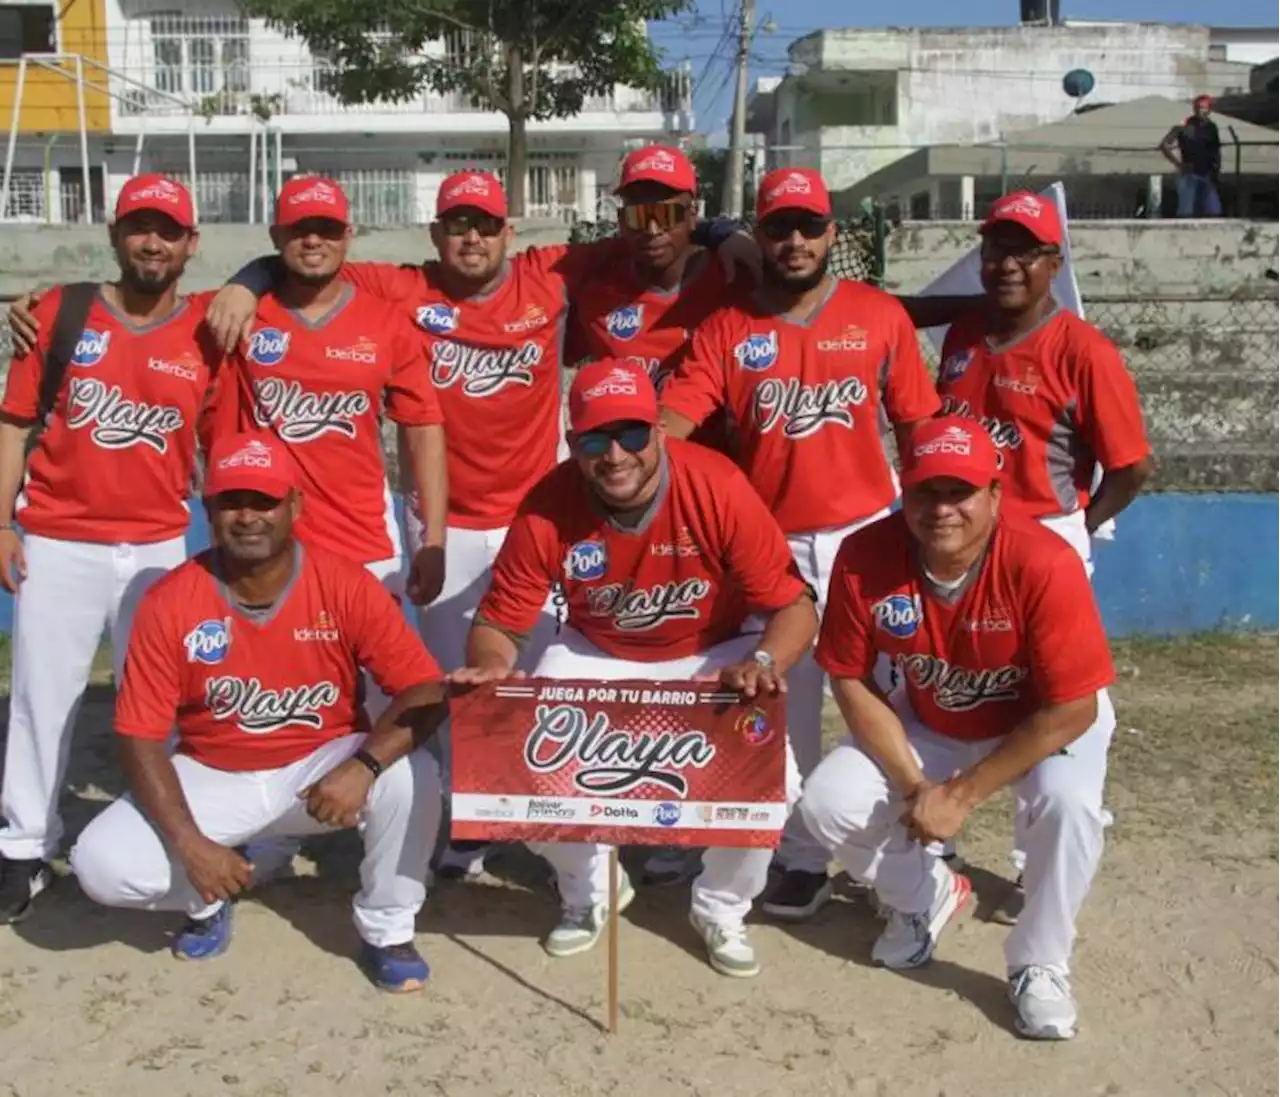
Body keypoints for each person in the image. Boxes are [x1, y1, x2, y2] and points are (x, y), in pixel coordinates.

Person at [202, 169, 756, 881]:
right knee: (452, 681)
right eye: (458, 224)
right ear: (436, 234)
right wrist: (245, 281)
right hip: (451, 524)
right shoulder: (403, 287)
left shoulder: (549, 272)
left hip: (549, 517)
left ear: (510, 230)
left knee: (556, 680)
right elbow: (309, 256)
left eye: (486, 223)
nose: (472, 236)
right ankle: (468, 818)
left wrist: (721, 230)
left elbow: (645, 231)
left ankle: (583, 822)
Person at [452, 359, 817, 978]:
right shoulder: (549, 503)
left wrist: (762, 662)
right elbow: (499, 622)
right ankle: (589, 889)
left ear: (659, 432)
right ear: (573, 444)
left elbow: (794, 608)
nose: (615, 455)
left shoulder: (716, 484)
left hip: (716, 647)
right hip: (599, 650)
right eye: (594, 439)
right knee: (510, 762)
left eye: (631, 434)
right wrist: (491, 670)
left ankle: (720, 908)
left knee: (776, 784)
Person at [67, 432, 448, 992]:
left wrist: (363, 767)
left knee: (414, 774)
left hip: (318, 772)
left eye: (265, 500)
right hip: (216, 772)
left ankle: (387, 928)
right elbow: (140, 737)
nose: (248, 516)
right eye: (231, 501)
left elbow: (426, 689)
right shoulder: (171, 599)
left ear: (295, 505)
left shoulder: (343, 582)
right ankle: (206, 898)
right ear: (209, 507)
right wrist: (193, 847)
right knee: (100, 865)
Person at [660, 166, 941, 921]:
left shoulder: (879, 317)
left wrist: (930, 529)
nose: (793, 241)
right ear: (760, 234)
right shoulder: (726, 329)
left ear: (831, 234)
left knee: (881, 703)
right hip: (771, 547)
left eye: (808, 226)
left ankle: (912, 847)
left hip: (869, 537)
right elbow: (673, 426)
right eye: (778, 227)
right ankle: (804, 854)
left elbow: (919, 434)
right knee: (783, 705)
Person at [797, 416, 1117, 1041]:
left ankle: (1040, 963)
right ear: (904, 493)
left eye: (960, 492)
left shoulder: (1044, 561)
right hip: (936, 712)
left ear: (995, 495)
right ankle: (921, 898)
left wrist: (961, 795)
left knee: (1066, 807)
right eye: (926, 491)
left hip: (1041, 720)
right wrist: (918, 787)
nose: (942, 509)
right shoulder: (866, 555)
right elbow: (850, 678)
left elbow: (1074, 707)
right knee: (825, 804)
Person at [0, 175, 223, 924]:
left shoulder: (205, 330)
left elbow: (221, 443)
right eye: (138, 227)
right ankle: (24, 845)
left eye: (167, 229)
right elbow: (12, 422)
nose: (151, 242)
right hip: (59, 539)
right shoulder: (59, 313)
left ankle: (149, 830)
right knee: (41, 698)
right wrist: (1, 521)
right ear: (114, 234)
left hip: (160, 544)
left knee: (160, 707)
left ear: (191, 243)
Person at [931, 190, 1152, 924]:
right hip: (962, 542)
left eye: (1026, 251)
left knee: (1062, 702)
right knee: (953, 689)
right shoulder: (962, 332)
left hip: (1046, 540)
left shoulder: (1083, 349)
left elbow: (1130, 466)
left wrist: (1077, 528)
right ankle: (937, 840)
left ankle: (1038, 856)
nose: (1008, 264)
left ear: (1054, 262)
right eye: (997, 248)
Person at [565, 144, 741, 460]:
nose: (652, 228)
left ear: (692, 216)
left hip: (722, 477)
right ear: (621, 220)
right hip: (633, 479)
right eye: (638, 215)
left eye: (667, 214)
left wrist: (728, 233)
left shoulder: (735, 279)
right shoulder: (596, 294)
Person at [1160, 95, 1222, 218]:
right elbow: (1165, 145)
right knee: (1186, 211)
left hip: (1207, 173)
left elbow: (1216, 150)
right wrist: (1179, 164)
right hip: (1190, 173)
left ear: (1209, 110)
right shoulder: (1185, 125)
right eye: (1198, 107)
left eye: (1204, 107)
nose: (1200, 110)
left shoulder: (1211, 128)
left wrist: (1216, 171)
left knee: (1213, 211)